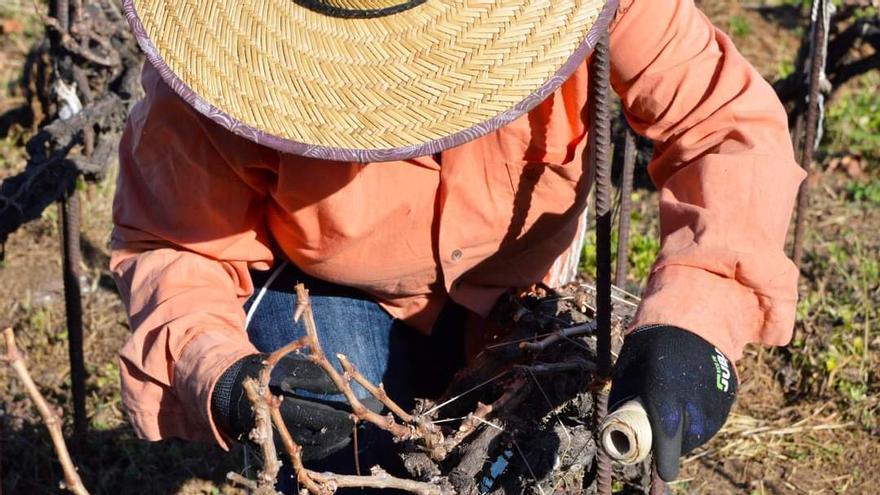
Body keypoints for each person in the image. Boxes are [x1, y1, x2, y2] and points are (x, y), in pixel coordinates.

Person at [112, 0, 805, 488]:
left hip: (514, 288)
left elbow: (722, 124)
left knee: (530, 462)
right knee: (353, 460)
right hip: (326, 285)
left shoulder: (601, 7)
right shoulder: (235, 52)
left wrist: (698, 315)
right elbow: (175, 246)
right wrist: (230, 380)